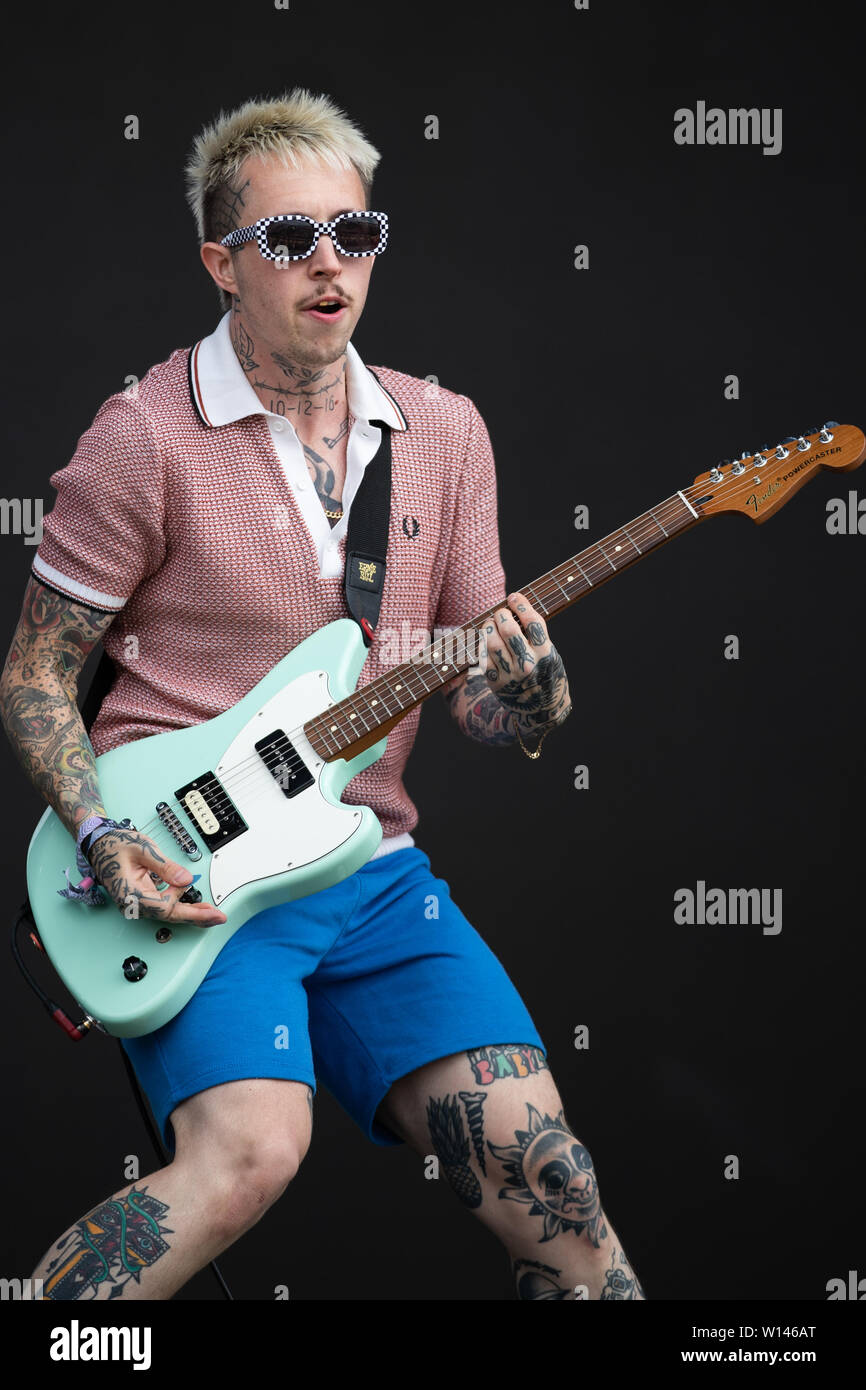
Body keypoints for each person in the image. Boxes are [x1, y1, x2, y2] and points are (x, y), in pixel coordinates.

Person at [0, 89, 643, 1301]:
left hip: (364, 865)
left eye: (355, 234)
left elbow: (479, 704)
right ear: (220, 263)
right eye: (289, 240)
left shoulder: (445, 432)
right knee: (248, 1153)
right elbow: (36, 671)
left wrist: (534, 699)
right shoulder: (143, 435)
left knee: (555, 1187)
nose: (328, 263)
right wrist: (101, 833)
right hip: (182, 873)